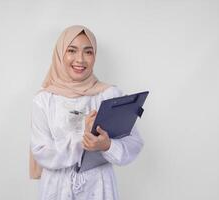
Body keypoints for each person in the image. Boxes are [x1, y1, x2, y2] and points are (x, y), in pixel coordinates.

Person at [30, 25, 144, 200]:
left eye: (88, 52)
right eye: (72, 50)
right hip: (56, 189)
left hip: (99, 187)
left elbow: (134, 143)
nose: (80, 59)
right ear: (60, 54)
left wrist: (107, 145)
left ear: (94, 56)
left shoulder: (109, 95)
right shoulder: (44, 100)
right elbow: (40, 151)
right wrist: (83, 141)